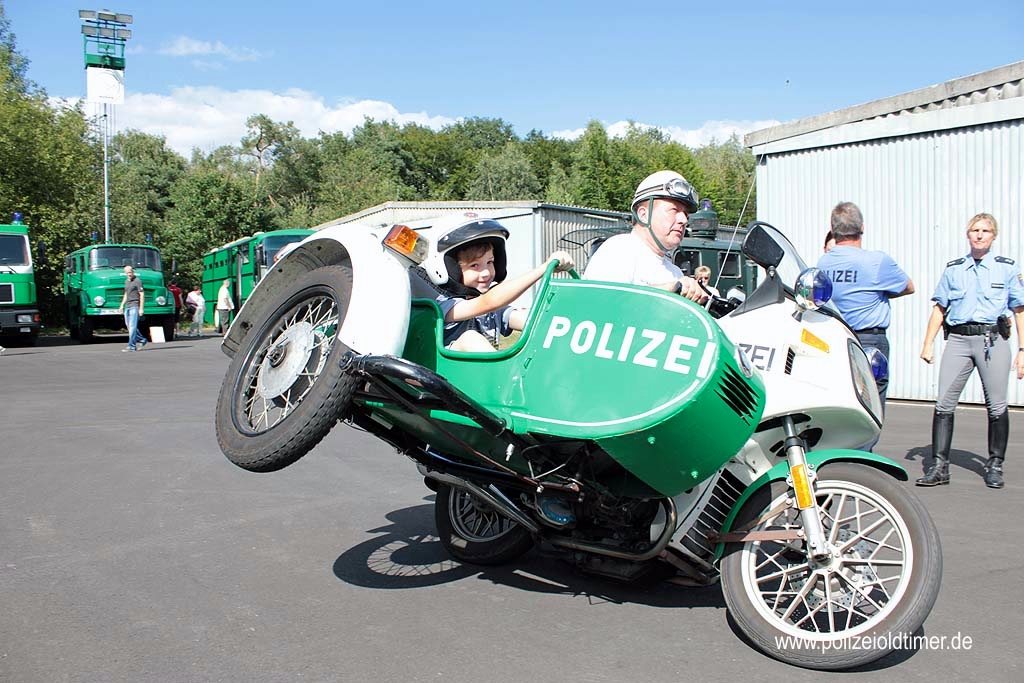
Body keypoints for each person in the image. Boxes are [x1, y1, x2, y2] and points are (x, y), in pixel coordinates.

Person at [918, 213, 1024, 489]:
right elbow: (939, 308)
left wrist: (1022, 350)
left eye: (985, 231)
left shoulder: (1006, 269)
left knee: (997, 405)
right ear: (968, 235)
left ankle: (995, 465)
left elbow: (1019, 310)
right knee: (943, 403)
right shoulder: (954, 269)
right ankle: (939, 467)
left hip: (992, 341)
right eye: (974, 230)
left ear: (993, 235)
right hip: (959, 340)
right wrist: (928, 343)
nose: (979, 235)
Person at [817, 201, 914, 418]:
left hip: (835, 339)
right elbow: (908, 286)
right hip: (869, 340)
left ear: (833, 229)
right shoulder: (877, 261)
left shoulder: (823, 263)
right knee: (871, 406)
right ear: (862, 227)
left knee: (840, 402)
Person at [425, 216, 575, 352]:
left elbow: (529, 320)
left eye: (490, 262)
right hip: (446, 372)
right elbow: (488, 303)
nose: (486, 272)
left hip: (478, 374)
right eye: (474, 265)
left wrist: (565, 323)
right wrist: (543, 268)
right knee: (470, 339)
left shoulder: (493, 312)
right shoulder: (444, 305)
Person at [583, 169, 707, 305]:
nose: (683, 220)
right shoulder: (618, 249)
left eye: (686, 214)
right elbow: (604, 303)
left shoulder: (675, 272)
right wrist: (672, 289)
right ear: (643, 215)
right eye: (674, 210)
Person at [118, 266, 147, 352]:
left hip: (135, 305)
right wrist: (121, 305)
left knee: (132, 326)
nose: (129, 274)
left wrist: (141, 308)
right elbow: (126, 294)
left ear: (133, 272)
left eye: (130, 272)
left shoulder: (138, 281)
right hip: (127, 305)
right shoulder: (126, 281)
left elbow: (142, 295)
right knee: (129, 326)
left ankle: (132, 346)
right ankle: (142, 339)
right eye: (127, 273)